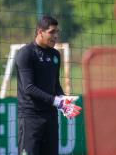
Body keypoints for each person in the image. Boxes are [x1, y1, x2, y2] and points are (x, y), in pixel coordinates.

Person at [15, 15, 81, 155]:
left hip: (50, 116)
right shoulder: (26, 53)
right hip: (30, 117)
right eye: (51, 32)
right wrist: (56, 101)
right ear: (40, 32)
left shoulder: (55, 55)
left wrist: (64, 100)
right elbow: (29, 88)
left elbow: (55, 84)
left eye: (57, 32)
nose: (55, 36)